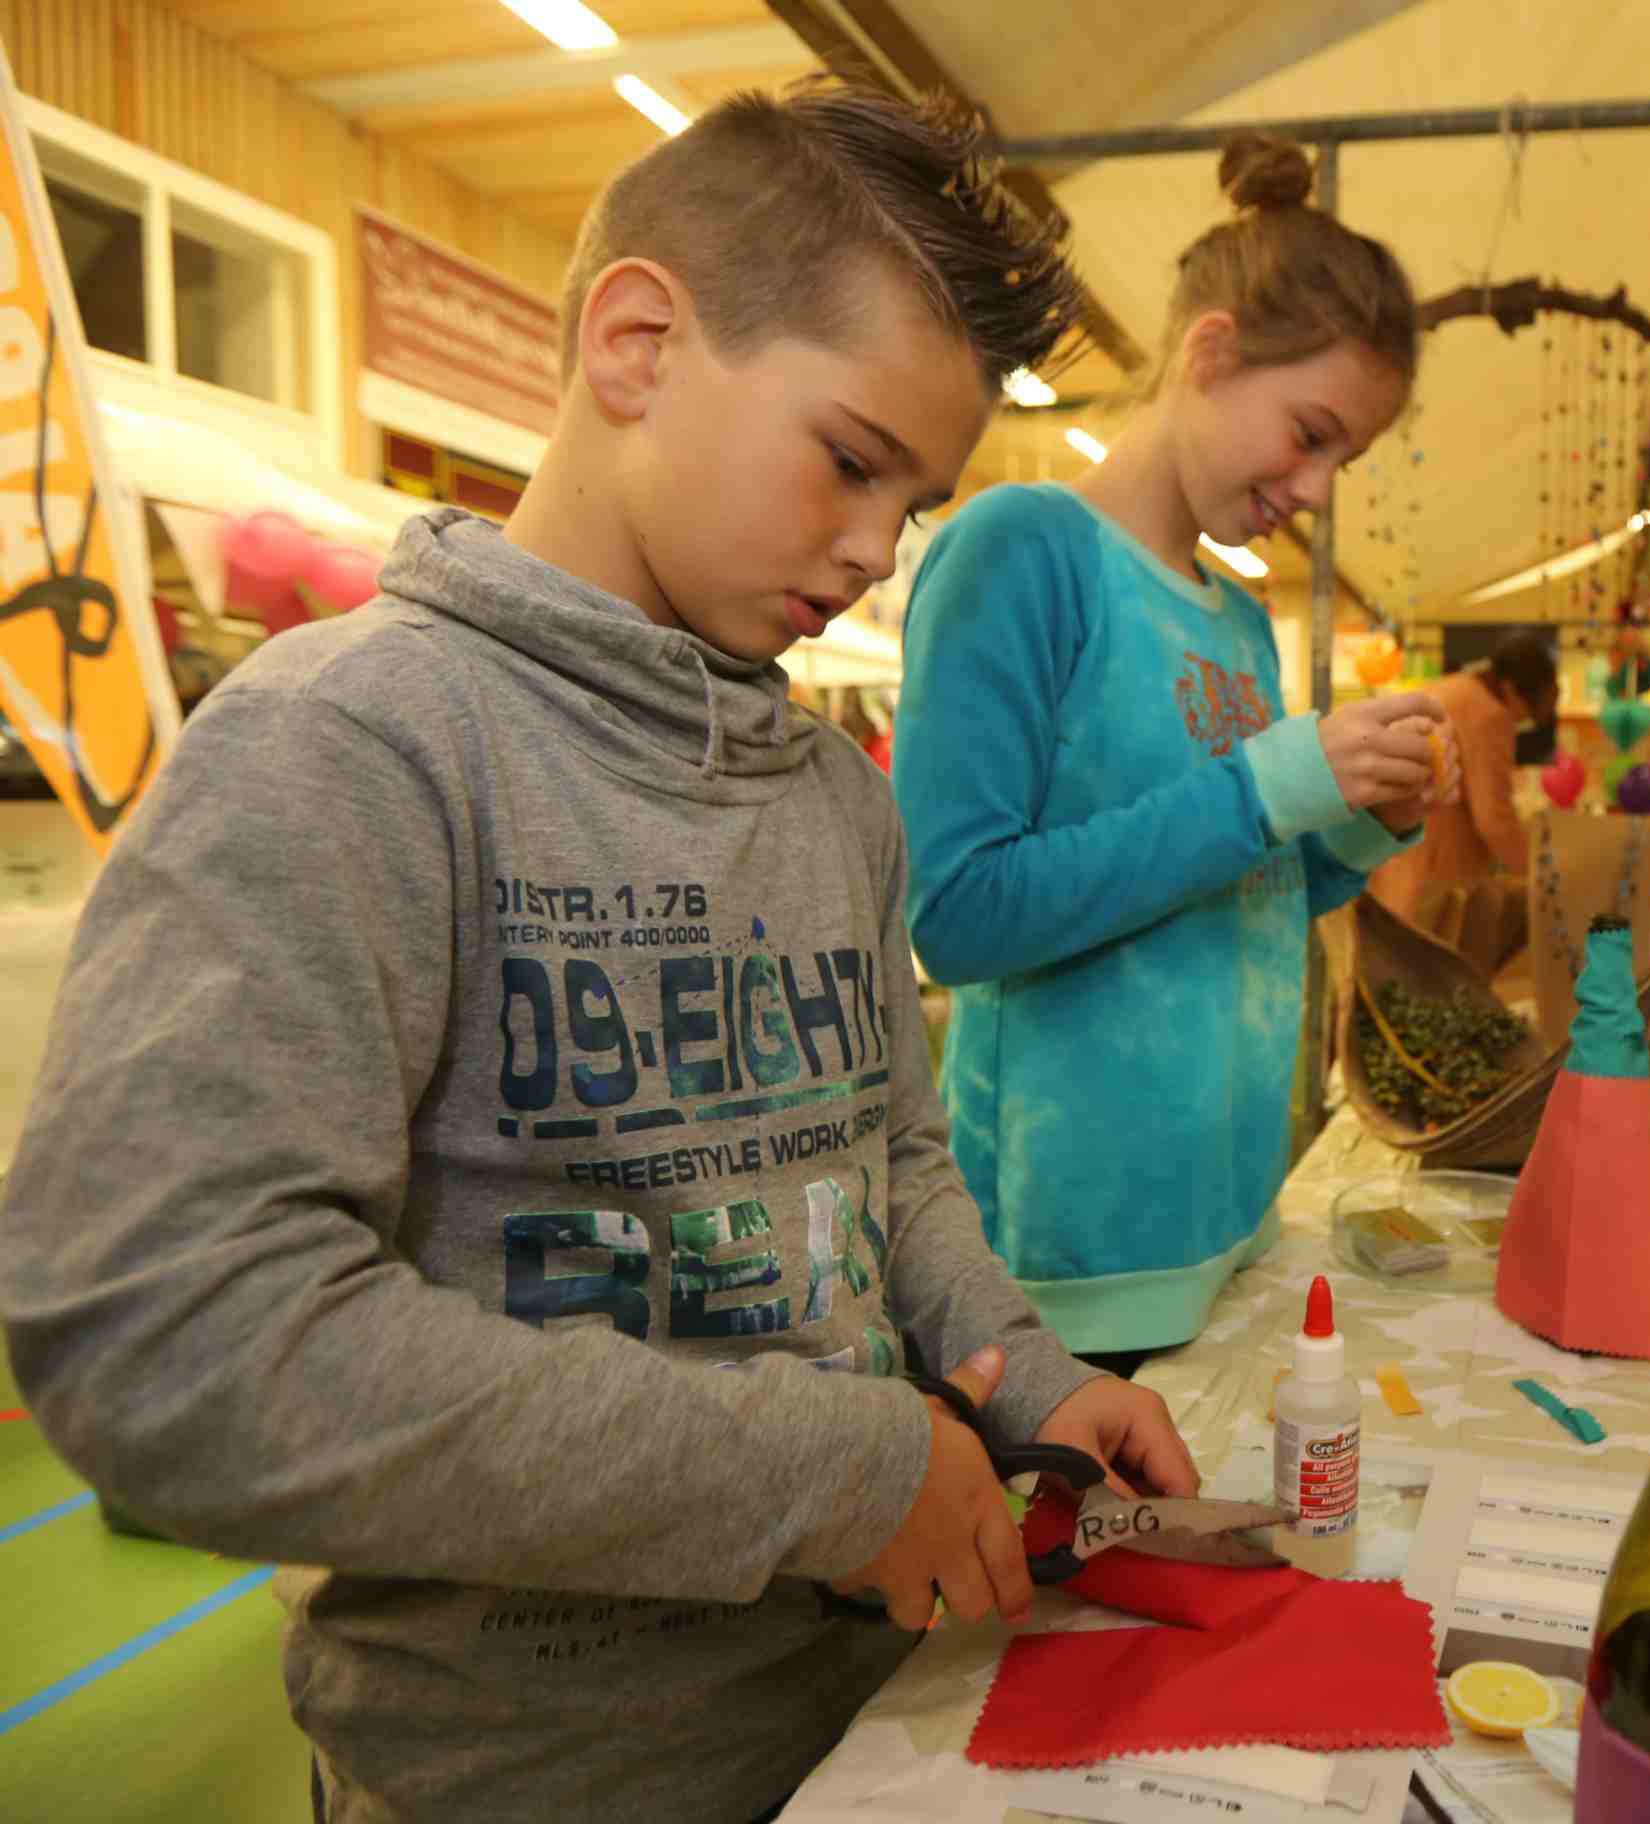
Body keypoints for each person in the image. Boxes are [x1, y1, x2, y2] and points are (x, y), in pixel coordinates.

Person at [0, 82, 1195, 1824]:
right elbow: (171, 1336)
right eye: (849, 459)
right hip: (529, 1778)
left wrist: (1036, 1376)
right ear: (636, 343)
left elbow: (888, 1163)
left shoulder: (832, 801)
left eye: (914, 503)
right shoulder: (352, 749)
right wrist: (830, 1474)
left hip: (877, 1721)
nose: (875, 551)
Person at [893, 134, 1442, 1373]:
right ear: (1211, 351)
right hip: (1060, 1274)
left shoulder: (1237, 622)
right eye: (1309, 432)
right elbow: (957, 915)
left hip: (1228, 1226)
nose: (1317, 489)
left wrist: (1364, 820)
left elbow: (1242, 892)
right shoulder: (1021, 551)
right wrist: (1273, 783)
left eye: (1343, 460)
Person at [1367, 628, 1557, 972]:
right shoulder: (1487, 714)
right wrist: (1544, 877)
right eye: (1526, 712)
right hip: (1439, 879)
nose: (1522, 722)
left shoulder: (1449, 689)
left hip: (1395, 863)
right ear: (1511, 689)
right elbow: (1493, 817)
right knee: (1434, 985)